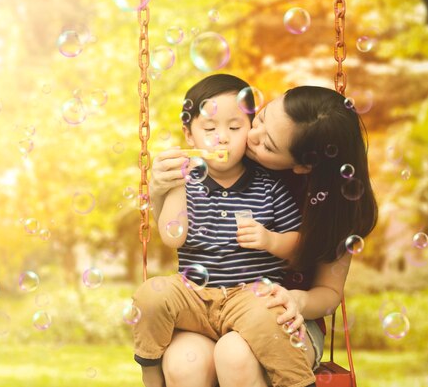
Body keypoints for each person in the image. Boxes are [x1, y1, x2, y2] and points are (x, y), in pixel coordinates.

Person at [150, 85, 378, 387]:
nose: (250, 136)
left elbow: (329, 294)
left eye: (268, 145)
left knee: (235, 354)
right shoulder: (224, 166)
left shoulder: (334, 207)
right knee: (183, 363)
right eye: (261, 118)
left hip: (282, 319)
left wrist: (297, 300)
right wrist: (159, 191)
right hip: (212, 309)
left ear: (303, 166)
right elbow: (179, 232)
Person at [132, 74, 315, 387]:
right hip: (194, 296)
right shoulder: (185, 183)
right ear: (189, 135)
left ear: (250, 129)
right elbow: (174, 236)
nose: (222, 138)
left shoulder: (269, 186)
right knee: (150, 294)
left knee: (271, 313)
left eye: (234, 127)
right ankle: (151, 375)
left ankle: (297, 382)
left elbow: (297, 244)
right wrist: (176, 185)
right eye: (209, 128)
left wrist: (270, 240)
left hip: (249, 295)